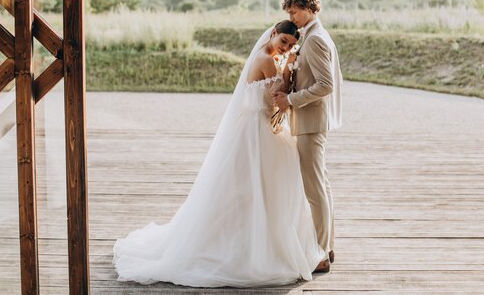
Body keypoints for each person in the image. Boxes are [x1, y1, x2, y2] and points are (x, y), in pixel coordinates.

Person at [113, 20, 325, 287]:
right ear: (273, 34)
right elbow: (275, 97)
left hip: (251, 128)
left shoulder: (263, 56)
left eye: (291, 45)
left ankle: (245, 241)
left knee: (249, 190)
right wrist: (290, 74)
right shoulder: (268, 61)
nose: (286, 48)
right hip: (259, 132)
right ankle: (257, 248)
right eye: (284, 41)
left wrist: (288, 66)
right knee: (264, 188)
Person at [273, 0, 343, 274]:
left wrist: (289, 99)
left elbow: (325, 85)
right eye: (289, 12)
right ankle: (326, 246)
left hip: (312, 122)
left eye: (294, 11)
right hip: (313, 122)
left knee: (315, 190)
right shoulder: (314, 35)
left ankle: (321, 254)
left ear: (309, 8)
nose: (292, 17)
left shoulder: (314, 40)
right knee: (321, 186)